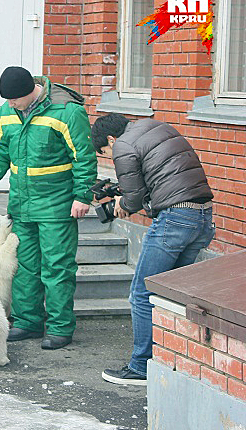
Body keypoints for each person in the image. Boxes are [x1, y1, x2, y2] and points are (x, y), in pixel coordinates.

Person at [0, 66, 97, 350]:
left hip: (57, 204)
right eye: (8, 101)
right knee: (25, 267)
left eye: (14, 100)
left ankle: (60, 328)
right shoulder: (8, 112)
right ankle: (27, 322)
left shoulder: (67, 111)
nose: (10, 105)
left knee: (57, 267)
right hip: (21, 204)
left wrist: (82, 196)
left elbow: (84, 157)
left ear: (30, 93)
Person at [91, 113, 215, 385]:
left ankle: (141, 367)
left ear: (111, 139)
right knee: (174, 293)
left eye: (104, 152)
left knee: (142, 293)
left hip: (177, 220)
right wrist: (126, 198)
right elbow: (164, 188)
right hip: (202, 217)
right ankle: (177, 357)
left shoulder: (124, 144)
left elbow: (134, 199)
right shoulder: (157, 128)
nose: (109, 155)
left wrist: (122, 204)